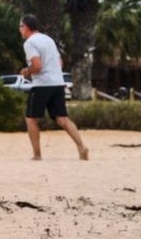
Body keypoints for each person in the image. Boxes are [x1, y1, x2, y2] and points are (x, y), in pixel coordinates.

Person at [18, 14, 89, 161]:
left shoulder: (30, 43)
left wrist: (26, 71)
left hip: (42, 84)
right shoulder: (48, 39)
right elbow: (60, 62)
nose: (19, 30)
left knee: (31, 118)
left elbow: (37, 66)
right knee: (62, 119)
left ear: (26, 27)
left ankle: (37, 155)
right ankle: (81, 146)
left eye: (20, 26)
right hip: (57, 82)